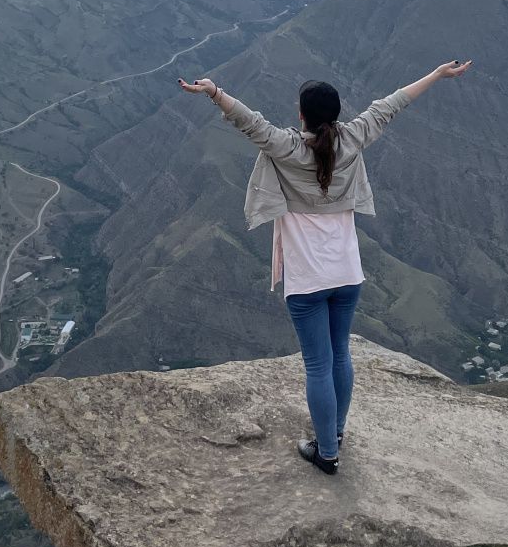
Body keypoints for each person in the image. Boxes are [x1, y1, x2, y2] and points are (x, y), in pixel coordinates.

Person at [177, 60, 472, 475]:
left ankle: (326, 452)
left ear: (302, 115)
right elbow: (391, 105)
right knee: (340, 356)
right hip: (348, 274)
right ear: (336, 113)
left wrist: (213, 92)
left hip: (308, 279)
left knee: (318, 364)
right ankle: (335, 434)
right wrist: (438, 75)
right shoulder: (353, 139)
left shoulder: (288, 147)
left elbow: (250, 123)